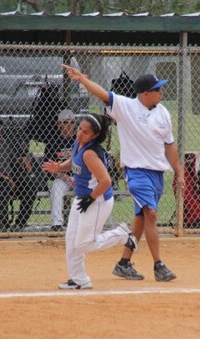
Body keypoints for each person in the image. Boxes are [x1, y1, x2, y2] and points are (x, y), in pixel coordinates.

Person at [62, 64, 185, 282]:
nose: (161, 92)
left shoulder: (163, 113)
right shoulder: (127, 106)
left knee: (141, 216)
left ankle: (124, 263)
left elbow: (170, 145)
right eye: (157, 89)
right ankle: (159, 265)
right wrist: (82, 79)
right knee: (152, 214)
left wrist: (179, 172)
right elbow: (102, 94)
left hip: (156, 173)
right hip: (136, 171)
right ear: (145, 94)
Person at [41, 113, 138, 290]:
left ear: (94, 136)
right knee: (71, 239)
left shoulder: (91, 154)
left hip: (97, 201)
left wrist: (91, 199)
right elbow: (74, 161)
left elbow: (106, 181)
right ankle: (79, 279)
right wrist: (60, 167)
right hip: (83, 198)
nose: (79, 134)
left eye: (85, 132)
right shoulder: (79, 144)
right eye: (79, 129)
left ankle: (122, 235)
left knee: (85, 243)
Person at [44, 109, 77, 232]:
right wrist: (64, 176)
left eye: (72, 122)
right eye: (65, 122)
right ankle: (57, 224)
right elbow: (48, 166)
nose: (69, 125)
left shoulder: (79, 140)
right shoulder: (52, 142)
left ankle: (86, 223)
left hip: (80, 176)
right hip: (62, 178)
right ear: (58, 124)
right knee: (56, 187)